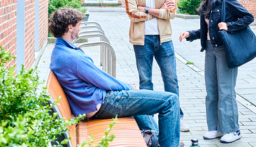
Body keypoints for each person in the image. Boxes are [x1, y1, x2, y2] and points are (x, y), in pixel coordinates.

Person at [49, 8, 183, 147]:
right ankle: (167, 143)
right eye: (79, 24)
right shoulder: (73, 57)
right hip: (103, 103)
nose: (80, 27)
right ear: (70, 27)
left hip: (93, 103)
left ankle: (158, 140)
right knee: (170, 101)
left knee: (138, 98)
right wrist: (128, 87)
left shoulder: (60, 51)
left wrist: (129, 89)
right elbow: (103, 81)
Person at [179, 0, 254, 144]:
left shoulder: (228, 1)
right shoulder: (207, 5)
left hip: (224, 51)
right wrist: (190, 34)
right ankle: (216, 128)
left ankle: (233, 130)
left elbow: (248, 17)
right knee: (212, 91)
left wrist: (229, 26)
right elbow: (206, 31)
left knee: (226, 91)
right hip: (209, 50)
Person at [124, 0, 190, 132]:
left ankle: (177, 117)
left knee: (171, 80)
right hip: (141, 40)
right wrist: (157, 11)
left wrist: (145, 9)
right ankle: (148, 123)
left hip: (164, 40)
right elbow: (131, 13)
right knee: (145, 81)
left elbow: (171, 13)